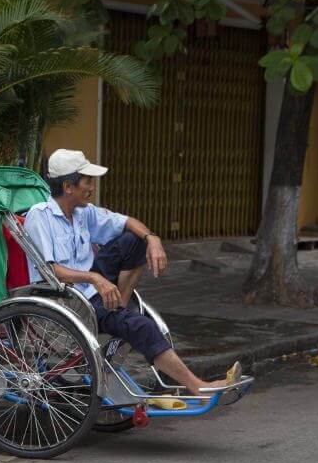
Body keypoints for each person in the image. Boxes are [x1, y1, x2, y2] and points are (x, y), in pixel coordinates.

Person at [24, 149, 238, 395]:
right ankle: (198, 386)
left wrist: (153, 238)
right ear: (68, 186)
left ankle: (118, 307)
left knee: (135, 240)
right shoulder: (40, 216)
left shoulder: (84, 212)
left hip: (93, 291)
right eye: (87, 181)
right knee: (142, 326)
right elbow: (50, 270)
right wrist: (94, 278)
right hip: (67, 299)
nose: (92, 187)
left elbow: (125, 222)